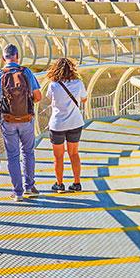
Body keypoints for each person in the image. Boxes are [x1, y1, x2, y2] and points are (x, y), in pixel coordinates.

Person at [0, 44, 43, 201]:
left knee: (13, 155)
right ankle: (29, 187)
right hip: (27, 119)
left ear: (4, 58)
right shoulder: (27, 72)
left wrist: (0, 102)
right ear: (17, 56)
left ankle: (17, 193)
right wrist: (26, 102)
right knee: (28, 152)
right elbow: (38, 97)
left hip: (7, 120)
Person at [45, 57, 87, 192]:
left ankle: (59, 184)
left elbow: (49, 98)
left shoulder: (53, 85)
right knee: (74, 154)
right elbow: (84, 98)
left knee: (58, 156)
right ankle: (77, 183)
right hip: (75, 122)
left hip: (57, 124)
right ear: (72, 69)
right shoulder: (79, 83)